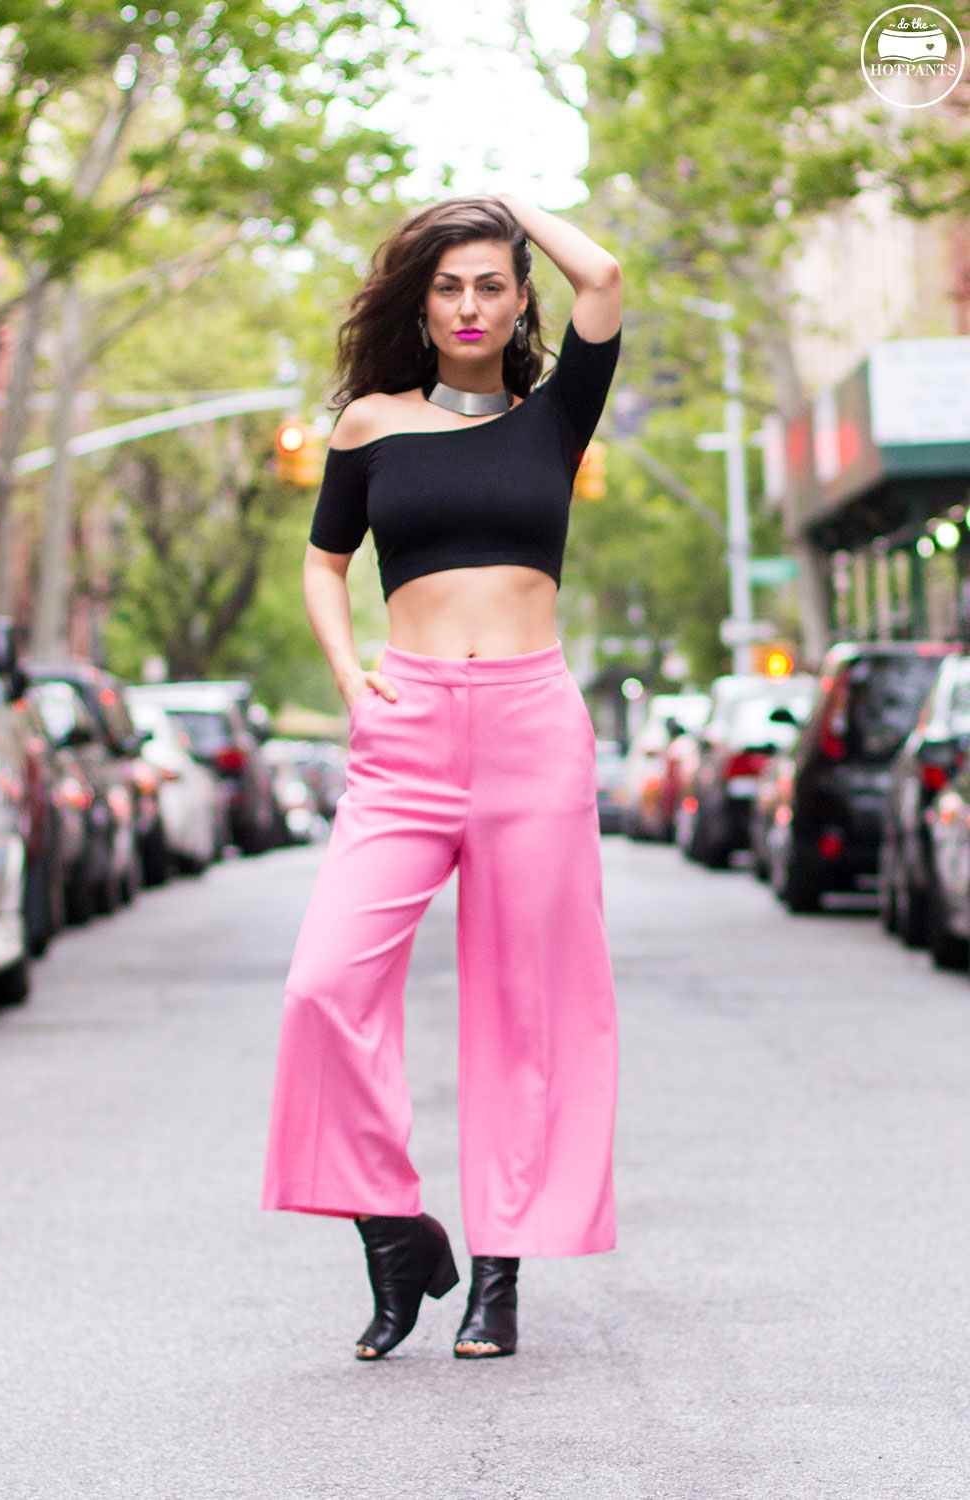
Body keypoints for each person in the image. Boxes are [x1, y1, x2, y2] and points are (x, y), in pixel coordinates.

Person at [262, 194, 622, 1361]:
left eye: (491, 284)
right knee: (322, 983)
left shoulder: (559, 410)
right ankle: (395, 1230)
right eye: (449, 285)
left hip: (530, 728)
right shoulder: (369, 424)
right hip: (407, 726)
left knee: (525, 1010)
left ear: (520, 301)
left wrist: (512, 209)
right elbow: (325, 565)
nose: (470, 305)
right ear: (421, 304)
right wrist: (349, 674)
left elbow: (606, 275)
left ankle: (499, 1277)